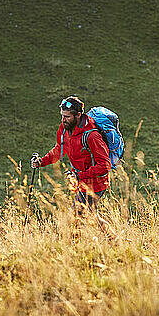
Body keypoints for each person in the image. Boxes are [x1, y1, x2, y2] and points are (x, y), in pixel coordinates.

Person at [31, 96, 115, 237]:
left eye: (67, 117)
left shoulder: (92, 136)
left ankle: (72, 248)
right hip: (80, 181)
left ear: (78, 115)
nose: (63, 120)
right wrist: (41, 162)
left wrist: (80, 175)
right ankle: (115, 240)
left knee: (75, 217)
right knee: (91, 217)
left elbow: (105, 165)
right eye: (62, 116)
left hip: (96, 183)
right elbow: (59, 149)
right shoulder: (65, 129)